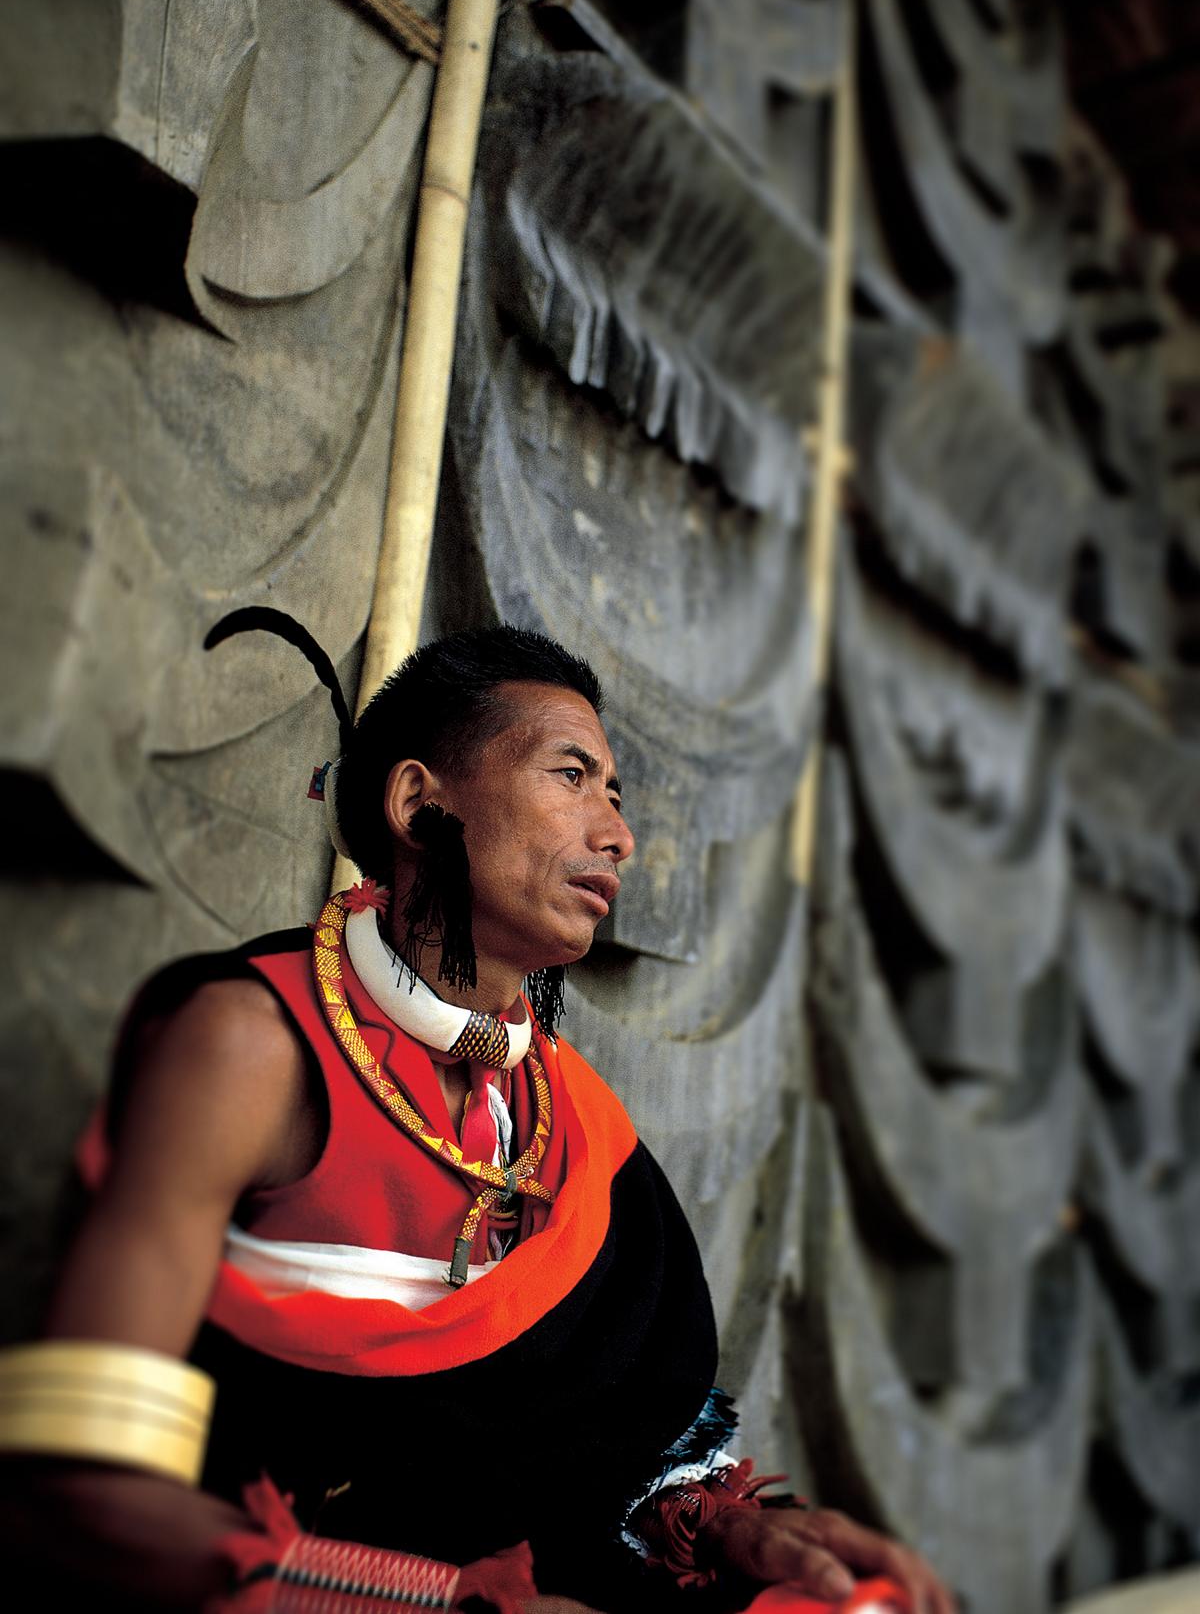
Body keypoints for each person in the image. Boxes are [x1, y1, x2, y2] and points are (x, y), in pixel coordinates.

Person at [0, 619, 954, 1614]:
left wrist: (718, 1521)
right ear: (420, 803)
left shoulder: (572, 1122)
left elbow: (613, 1446)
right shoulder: (249, 1048)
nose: (617, 834)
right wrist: (446, 1603)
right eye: (572, 775)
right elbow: (73, 1492)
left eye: (616, 795)